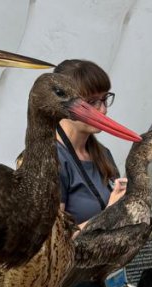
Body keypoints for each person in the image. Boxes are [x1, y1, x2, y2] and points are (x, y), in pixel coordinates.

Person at [53, 59, 127, 229]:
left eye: (104, 99)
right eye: (92, 102)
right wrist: (110, 213)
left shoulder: (103, 154)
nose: (103, 110)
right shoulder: (50, 160)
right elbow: (52, 244)